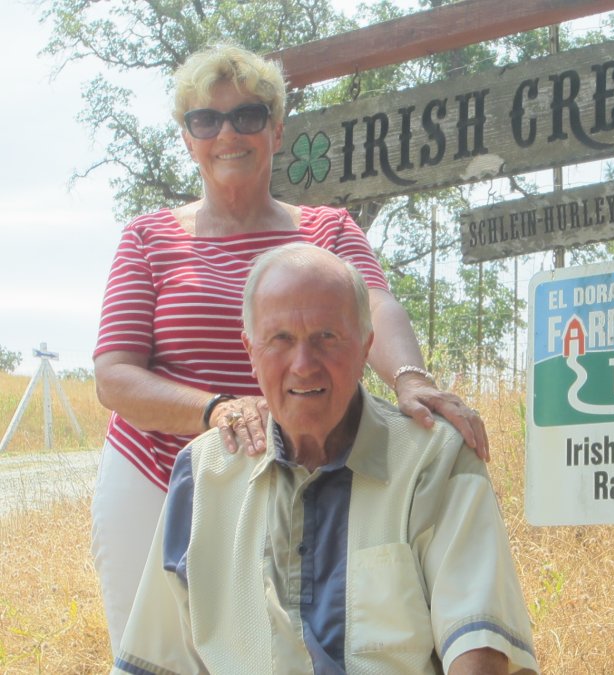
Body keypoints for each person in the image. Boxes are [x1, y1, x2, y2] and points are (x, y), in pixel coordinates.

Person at [91, 43, 488, 656]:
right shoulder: (149, 237)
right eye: (206, 119)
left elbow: (374, 307)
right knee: (161, 654)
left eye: (247, 116)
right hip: (153, 474)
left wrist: (410, 378)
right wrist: (218, 409)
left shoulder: (325, 231)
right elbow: (114, 376)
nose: (227, 133)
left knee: (269, 649)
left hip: (287, 474)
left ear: (276, 129)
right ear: (187, 137)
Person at [113, 243, 538, 674]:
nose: (303, 364)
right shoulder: (203, 475)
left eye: (326, 337)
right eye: (280, 339)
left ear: (365, 347)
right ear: (251, 351)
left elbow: (479, 650)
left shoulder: (434, 458)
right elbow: (154, 661)